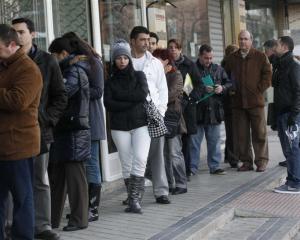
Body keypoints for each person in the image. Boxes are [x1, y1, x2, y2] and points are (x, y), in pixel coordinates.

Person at [12, 18, 67, 240]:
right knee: (12, 181)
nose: (17, 36)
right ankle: (11, 226)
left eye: (22, 32)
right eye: (13, 32)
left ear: (33, 34)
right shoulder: (6, 61)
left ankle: (42, 226)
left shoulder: (47, 60)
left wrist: (47, 119)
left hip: (39, 132)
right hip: (12, 132)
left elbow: (60, 96)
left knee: (40, 180)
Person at [0, 24, 42, 240]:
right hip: (3, 146)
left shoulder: (28, 69)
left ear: (12, 45)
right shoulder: (4, 64)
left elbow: (18, 101)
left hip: (18, 146)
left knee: (22, 199)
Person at [62, 32, 106, 222]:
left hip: (91, 118)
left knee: (92, 164)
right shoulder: (71, 63)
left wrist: (79, 85)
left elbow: (98, 91)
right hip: (76, 119)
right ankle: (81, 208)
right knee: (80, 165)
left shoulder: (93, 62)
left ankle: (93, 208)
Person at [48, 37, 90, 231]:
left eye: (53, 55)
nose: (51, 60)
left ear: (63, 54)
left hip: (73, 132)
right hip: (64, 131)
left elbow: (61, 94)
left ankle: (79, 220)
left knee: (75, 180)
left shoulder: (73, 71)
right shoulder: (67, 70)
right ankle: (51, 220)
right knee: (57, 179)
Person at [104, 39, 150, 213]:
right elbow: (109, 104)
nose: (122, 60)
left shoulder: (139, 76)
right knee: (126, 163)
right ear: (114, 60)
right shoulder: (110, 81)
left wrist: (121, 98)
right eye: (118, 58)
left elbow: (142, 94)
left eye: (125, 57)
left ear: (129, 58)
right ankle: (133, 199)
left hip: (140, 124)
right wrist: (131, 100)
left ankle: (134, 198)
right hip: (119, 127)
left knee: (140, 158)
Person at [130, 26, 170, 204]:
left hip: (153, 115)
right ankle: (132, 194)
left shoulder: (154, 63)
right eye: (142, 40)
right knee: (133, 156)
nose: (147, 43)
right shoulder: (125, 61)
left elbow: (163, 89)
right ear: (133, 41)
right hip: (131, 116)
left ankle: (161, 191)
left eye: (148, 40)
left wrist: (160, 112)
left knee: (157, 155)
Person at [224, 30, 272, 172]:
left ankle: (261, 161)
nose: (243, 42)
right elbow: (226, 76)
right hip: (238, 103)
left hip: (255, 102)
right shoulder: (232, 58)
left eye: (246, 39)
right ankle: (246, 162)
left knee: (259, 133)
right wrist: (231, 90)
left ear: (251, 41)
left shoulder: (260, 56)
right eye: (241, 39)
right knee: (241, 135)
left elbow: (268, 75)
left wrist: (258, 89)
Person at [189, 44, 231, 175]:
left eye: (211, 57)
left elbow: (229, 83)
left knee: (214, 141)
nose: (209, 60)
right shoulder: (192, 68)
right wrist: (201, 89)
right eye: (206, 58)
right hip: (197, 111)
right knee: (194, 143)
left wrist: (222, 88)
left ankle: (215, 166)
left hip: (214, 111)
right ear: (200, 56)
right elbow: (186, 88)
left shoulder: (218, 69)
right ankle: (192, 168)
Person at [152, 48, 187, 195]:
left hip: (173, 119)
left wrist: (157, 97)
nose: (154, 62)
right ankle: (170, 183)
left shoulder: (176, 74)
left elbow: (172, 94)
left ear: (165, 60)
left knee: (174, 153)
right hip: (159, 118)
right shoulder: (154, 75)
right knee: (164, 154)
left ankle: (181, 183)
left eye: (157, 59)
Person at [168, 38, 204, 178]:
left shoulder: (189, 65)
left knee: (186, 141)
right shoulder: (166, 65)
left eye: (175, 47)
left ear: (180, 49)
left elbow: (199, 85)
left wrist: (191, 98)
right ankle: (174, 171)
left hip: (187, 108)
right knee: (173, 141)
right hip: (171, 109)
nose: (173, 50)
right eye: (170, 47)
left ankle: (187, 170)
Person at [273, 36, 300, 194]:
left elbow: (298, 91)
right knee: (288, 148)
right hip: (282, 113)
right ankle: (291, 180)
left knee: (292, 148)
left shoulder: (293, 66)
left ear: (284, 47)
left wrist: (294, 114)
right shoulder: (280, 64)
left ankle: (295, 183)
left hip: (291, 114)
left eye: (277, 44)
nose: (274, 46)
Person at [221, 44, 239, 168]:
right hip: (229, 103)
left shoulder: (236, 65)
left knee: (234, 131)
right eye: (234, 53)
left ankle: (229, 155)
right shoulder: (225, 67)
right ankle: (233, 158)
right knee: (232, 131)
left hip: (236, 102)